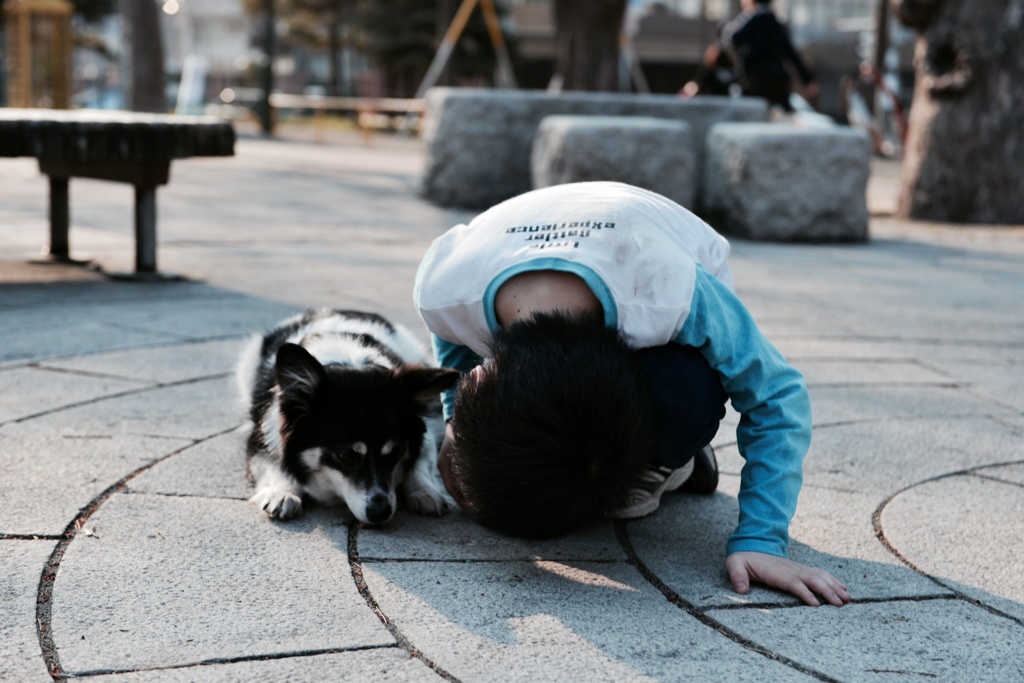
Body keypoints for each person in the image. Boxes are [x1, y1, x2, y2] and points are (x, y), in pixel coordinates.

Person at [414, 181, 850, 608]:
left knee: (686, 391)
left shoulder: (668, 290)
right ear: (475, 378)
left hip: (644, 270)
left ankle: (669, 464)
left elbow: (777, 392)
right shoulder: (446, 285)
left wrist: (763, 539)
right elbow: (450, 338)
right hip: (542, 246)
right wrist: (457, 428)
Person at [721, 0, 816, 112]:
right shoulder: (775, 21)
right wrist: (807, 78)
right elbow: (790, 52)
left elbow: (732, 39)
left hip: (755, 81)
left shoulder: (748, 21)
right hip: (777, 80)